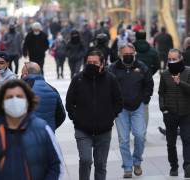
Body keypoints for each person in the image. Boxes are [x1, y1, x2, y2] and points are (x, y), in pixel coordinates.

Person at [0, 80, 64, 180]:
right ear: (2, 102)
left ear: (27, 101)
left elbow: (55, 165)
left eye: (19, 96)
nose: (14, 100)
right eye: (9, 97)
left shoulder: (42, 129)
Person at [66, 49, 123, 180]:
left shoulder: (110, 79)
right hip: (82, 130)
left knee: (100, 164)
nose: (92, 64)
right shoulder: (78, 78)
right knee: (85, 160)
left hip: (104, 130)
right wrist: (76, 118)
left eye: (95, 62)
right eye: (89, 62)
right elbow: (69, 102)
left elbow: (118, 101)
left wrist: (110, 116)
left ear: (102, 64)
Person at [109, 43, 154, 178]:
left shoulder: (142, 67)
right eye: (125, 54)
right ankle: (128, 167)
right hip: (121, 109)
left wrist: (145, 99)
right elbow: (108, 86)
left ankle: (137, 161)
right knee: (123, 139)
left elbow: (149, 83)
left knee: (140, 135)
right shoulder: (113, 68)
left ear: (135, 54)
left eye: (131, 54)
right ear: (120, 55)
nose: (128, 56)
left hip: (138, 107)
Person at [158, 48, 190, 178]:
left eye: (174, 59)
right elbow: (161, 93)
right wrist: (163, 108)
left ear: (180, 58)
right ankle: (174, 166)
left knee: (187, 139)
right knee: (170, 143)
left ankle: (188, 166)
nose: (171, 62)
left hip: (186, 113)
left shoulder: (188, 72)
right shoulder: (165, 74)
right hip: (170, 113)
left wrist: (180, 83)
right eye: (169, 59)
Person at [21, 62, 66, 132]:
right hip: (47, 135)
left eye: (22, 73)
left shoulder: (22, 88)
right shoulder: (52, 89)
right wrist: (50, 128)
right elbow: (61, 116)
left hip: (27, 135)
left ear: (25, 74)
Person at [133, 30, 160, 133]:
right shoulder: (152, 51)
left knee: (131, 106)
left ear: (136, 36)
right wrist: (149, 74)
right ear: (145, 37)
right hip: (146, 81)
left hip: (132, 81)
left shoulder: (130, 50)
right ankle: (143, 131)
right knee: (145, 106)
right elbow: (157, 65)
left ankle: (135, 130)